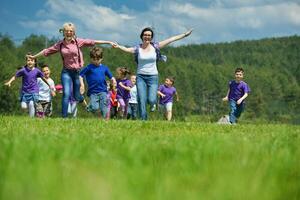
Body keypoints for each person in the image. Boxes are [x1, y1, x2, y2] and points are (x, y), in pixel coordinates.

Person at [28, 22, 116, 118]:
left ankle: (85, 104)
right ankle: (64, 117)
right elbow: (46, 51)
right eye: (66, 31)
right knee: (66, 93)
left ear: (74, 32)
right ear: (63, 32)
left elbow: (93, 41)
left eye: (71, 31)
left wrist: (108, 42)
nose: (69, 33)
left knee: (77, 95)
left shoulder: (78, 42)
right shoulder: (60, 45)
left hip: (77, 72)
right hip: (66, 72)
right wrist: (34, 56)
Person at [114, 27, 192, 120]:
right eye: (145, 35)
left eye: (149, 35)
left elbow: (171, 39)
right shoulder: (137, 48)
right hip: (141, 77)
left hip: (153, 77)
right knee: (141, 99)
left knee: (152, 99)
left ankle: (152, 105)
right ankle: (143, 120)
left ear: (151, 37)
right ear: (142, 36)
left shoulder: (156, 46)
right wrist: (118, 46)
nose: (147, 37)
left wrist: (184, 35)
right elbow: (127, 49)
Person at [79, 46, 116, 119]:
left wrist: (113, 80)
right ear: (91, 58)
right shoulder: (89, 67)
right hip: (93, 92)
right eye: (93, 59)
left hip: (103, 91)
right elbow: (80, 75)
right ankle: (89, 107)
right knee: (95, 108)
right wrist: (82, 85)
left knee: (104, 108)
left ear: (101, 58)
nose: (96, 61)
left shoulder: (104, 68)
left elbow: (111, 77)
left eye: (98, 59)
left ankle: (105, 122)